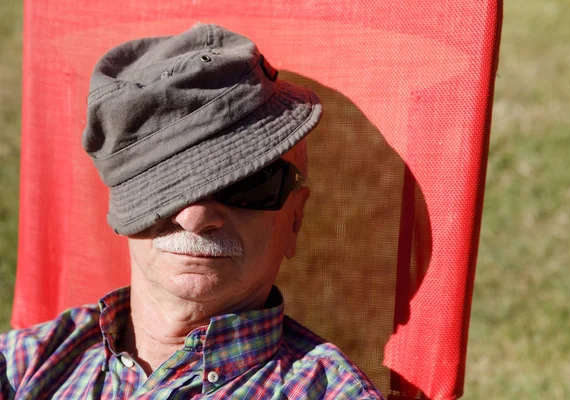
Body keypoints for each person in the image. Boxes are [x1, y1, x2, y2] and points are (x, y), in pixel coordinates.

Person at [0, 23, 383, 399]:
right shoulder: (20, 366)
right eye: (164, 188)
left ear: (296, 219)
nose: (195, 217)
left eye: (245, 182)